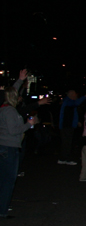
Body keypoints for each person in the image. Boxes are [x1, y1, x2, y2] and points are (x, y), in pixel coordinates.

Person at [1, 86, 40, 218]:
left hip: (4, 146)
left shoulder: (4, 109)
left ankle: (3, 206)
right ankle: (3, 210)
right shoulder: (10, 111)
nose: (19, 98)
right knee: (8, 181)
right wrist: (29, 124)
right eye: (17, 96)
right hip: (8, 147)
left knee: (3, 180)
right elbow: (13, 131)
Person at [58, 89, 86, 165]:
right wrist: (85, 96)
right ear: (72, 95)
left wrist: (77, 122)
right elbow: (76, 103)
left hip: (68, 125)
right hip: (66, 126)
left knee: (67, 143)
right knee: (67, 143)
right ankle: (65, 158)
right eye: (75, 94)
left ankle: (64, 158)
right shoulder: (68, 102)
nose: (76, 96)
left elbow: (71, 115)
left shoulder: (68, 102)